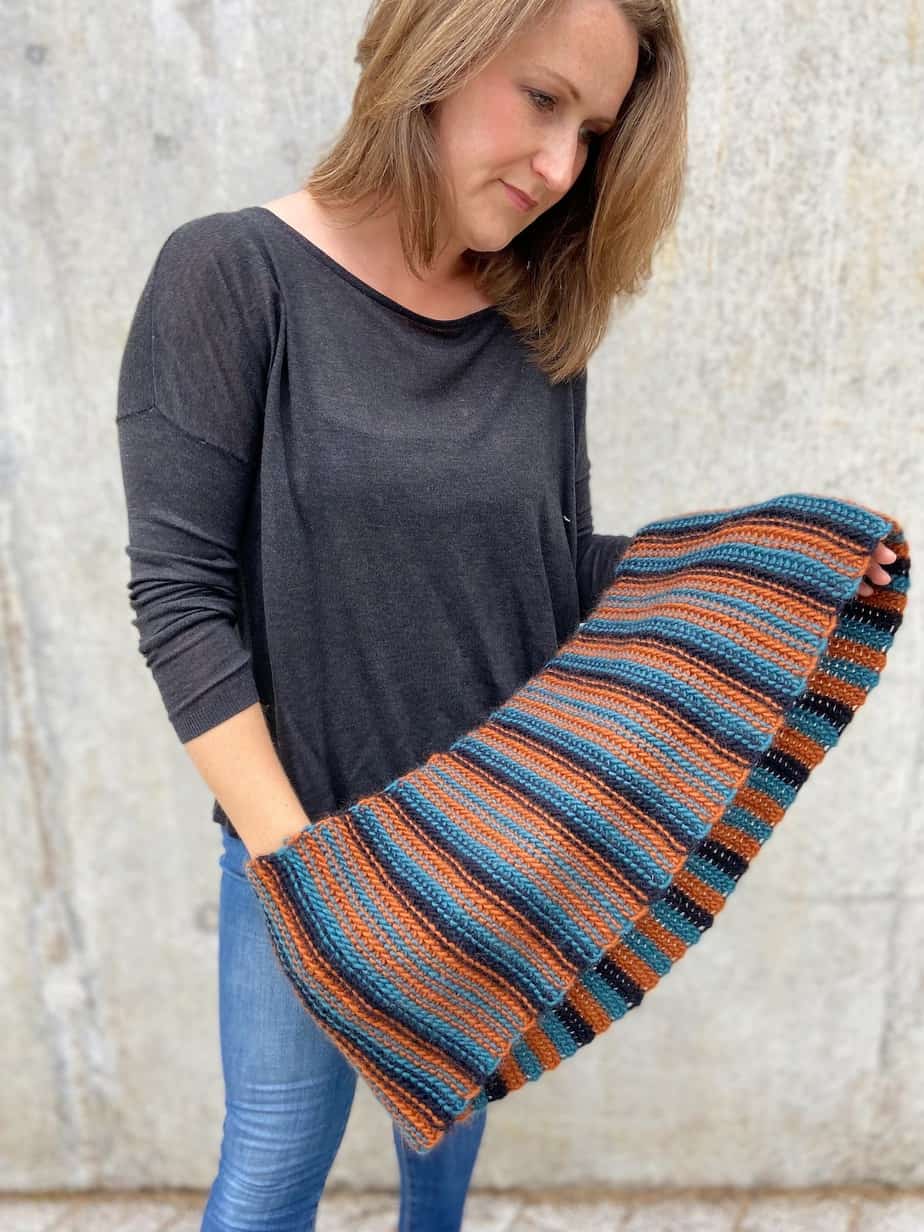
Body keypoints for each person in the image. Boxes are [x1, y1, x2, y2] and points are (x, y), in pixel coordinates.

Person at [114, 0, 897, 1225]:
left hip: (489, 848)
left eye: (590, 129)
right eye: (542, 100)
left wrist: (759, 572)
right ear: (437, 49)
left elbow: (538, 573)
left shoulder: (538, 321)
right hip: (304, 851)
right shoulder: (231, 273)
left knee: (447, 1151)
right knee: (270, 1169)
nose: (562, 167)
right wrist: (303, 871)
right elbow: (180, 599)